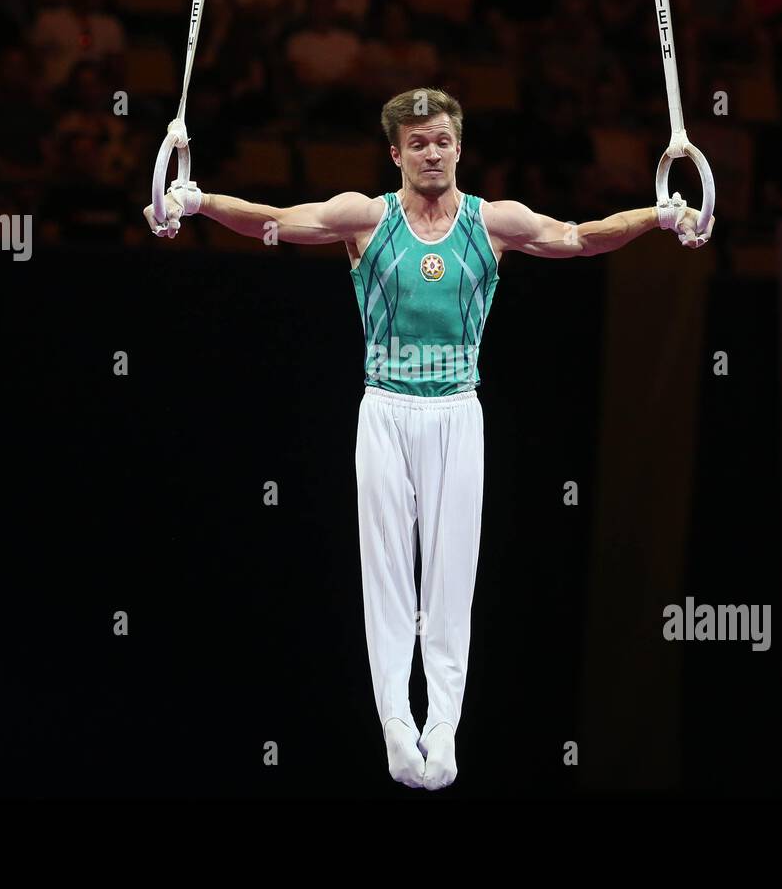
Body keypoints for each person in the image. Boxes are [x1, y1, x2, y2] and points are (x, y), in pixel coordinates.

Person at [143, 88, 712, 789]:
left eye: (442, 141)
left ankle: (442, 723)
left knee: (449, 575)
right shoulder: (367, 218)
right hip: (383, 410)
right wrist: (197, 203)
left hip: (456, 414)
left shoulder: (493, 222)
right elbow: (279, 223)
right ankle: (394, 722)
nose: (432, 152)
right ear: (396, 153)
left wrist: (661, 215)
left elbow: (578, 235)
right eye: (417, 143)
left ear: (459, 147)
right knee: (384, 571)